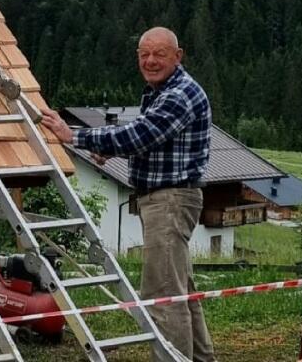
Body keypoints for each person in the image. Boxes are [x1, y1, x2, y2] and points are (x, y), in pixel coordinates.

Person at [39, 27, 216, 362]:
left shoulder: (179, 94)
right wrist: (119, 149)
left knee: (162, 296)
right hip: (167, 198)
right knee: (180, 292)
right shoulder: (162, 91)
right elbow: (155, 142)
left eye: (159, 54)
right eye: (143, 54)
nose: (150, 61)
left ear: (178, 56)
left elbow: (142, 134)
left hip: (169, 200)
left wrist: (74, 136)